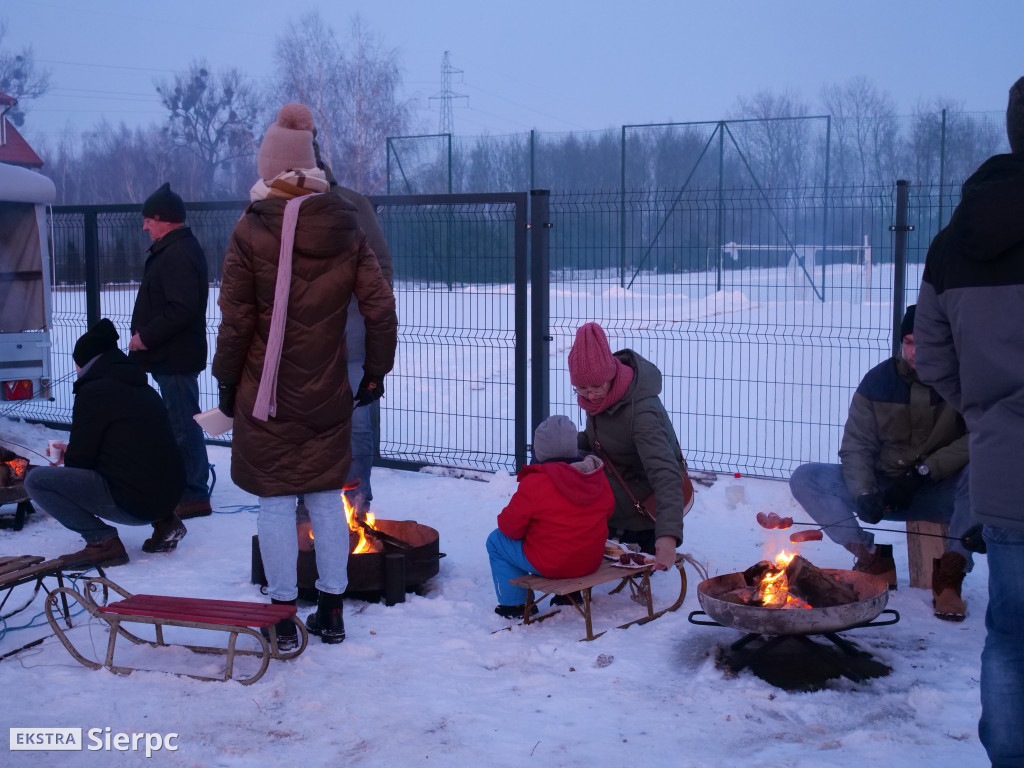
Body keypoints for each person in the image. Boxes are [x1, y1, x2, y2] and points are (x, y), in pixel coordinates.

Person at [212, 103, 398, 648]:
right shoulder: (345, 225)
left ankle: (282, 620)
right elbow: (380, 307)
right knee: (323, 497)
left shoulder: (249, 230)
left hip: (262, 394)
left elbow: (235, 320)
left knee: (273, 501)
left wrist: (226, 382)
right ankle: (333, 613)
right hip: (326, 389)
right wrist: (375, 373)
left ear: (270, 168)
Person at [914, 76, 1024, 767]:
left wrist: (986, 408)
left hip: (1008, 469)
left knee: (1010, 635)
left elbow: (933, 355)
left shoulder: (956, 241)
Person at [788, 305, 974, 620]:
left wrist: (924, 473)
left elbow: (979, 437)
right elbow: (856, 445)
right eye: (910, 341)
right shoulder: (878, 382)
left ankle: (950, 577)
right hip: (885, 490)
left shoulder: (964, 381)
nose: (916, 352)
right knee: (806, 478)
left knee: (984, 472)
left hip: (941, 491)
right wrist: (864, 492)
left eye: (927, 343)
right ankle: (872, 558)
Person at [24, 319, 186, 567]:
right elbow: (127, 448)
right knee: (140, 461)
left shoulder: (94, 391)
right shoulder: (141, 386)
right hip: (170, 496)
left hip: (136, 504)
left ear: (85, 362)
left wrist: (68, 455)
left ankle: (103, 543)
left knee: (37, 481)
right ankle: (166, 523)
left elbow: (82, 462)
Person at [310, 129, 395, 517]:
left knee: (357, 428)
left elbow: (383, 270)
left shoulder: (353, 204)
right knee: (304, 431)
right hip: (301, 352)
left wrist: (357, 307)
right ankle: (309, 510)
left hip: (351, 343)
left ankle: (357, 509)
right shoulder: (276, 209)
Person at [568, 322, 688, 571]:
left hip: (642, 500)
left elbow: (665, 474)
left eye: (596, 387)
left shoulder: (641, 413)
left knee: (575, 489)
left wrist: (667, 537)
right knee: (555, 474)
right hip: (618, 478)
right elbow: (597, 439)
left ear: (611, 376)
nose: (590, 396)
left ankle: (613, 542)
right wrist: (558, 449)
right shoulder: (602, 399)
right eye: (582, 389)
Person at [129, 182, 212, 521]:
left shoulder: (178, 253)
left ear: (164, 219)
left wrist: (145, 337)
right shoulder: (174, 249)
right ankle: (186, 486)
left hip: (174, 358)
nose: (145, 226)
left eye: (148, 219)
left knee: (184, 424)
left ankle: (193, 494)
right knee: (179, 422)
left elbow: (181, 308)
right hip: (171, 357)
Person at [486, 415, 615, 618]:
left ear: (540, 451)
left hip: (552, 563)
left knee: (496, 540)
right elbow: (608, 511)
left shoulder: (537, 482)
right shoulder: (595, 477)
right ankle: (569, 596)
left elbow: (510, 528)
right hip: (590, 559)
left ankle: (515, 606)